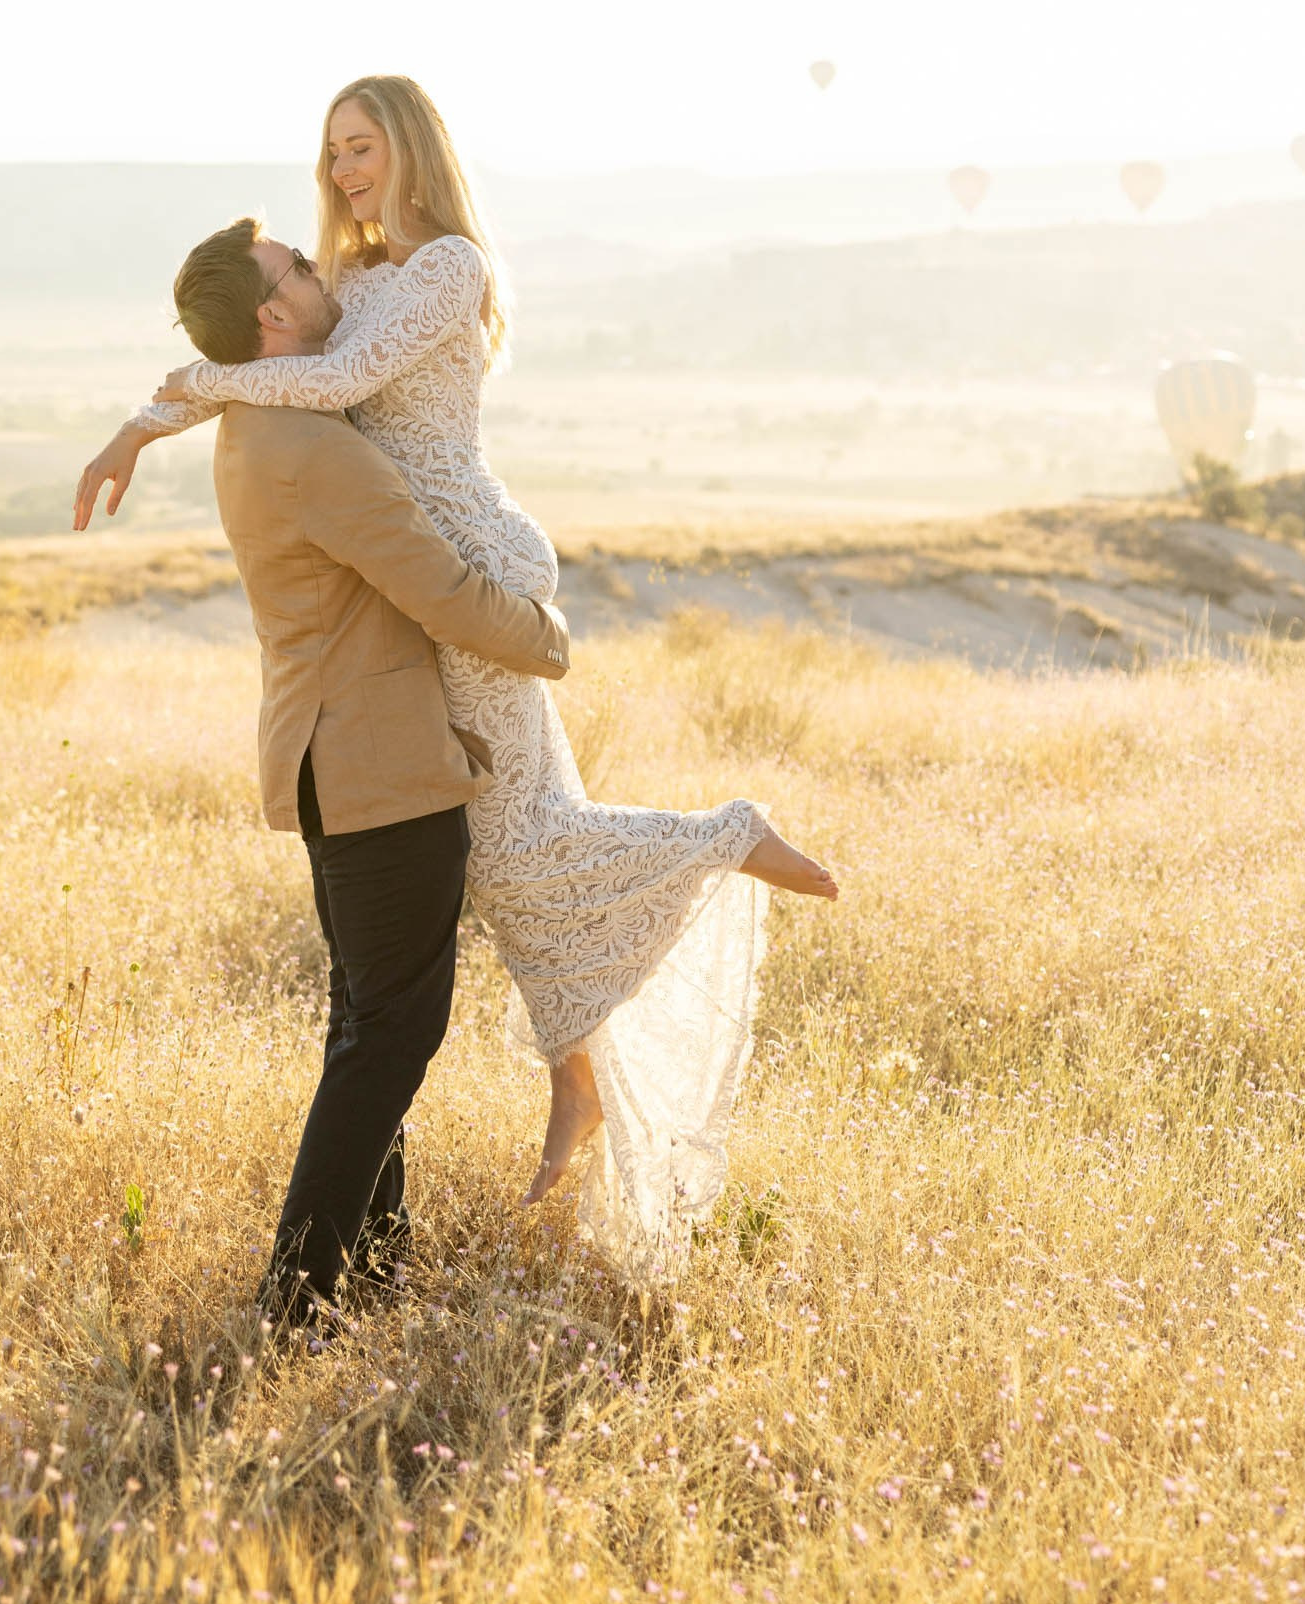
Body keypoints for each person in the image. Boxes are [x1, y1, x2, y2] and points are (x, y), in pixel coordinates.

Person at [76, 76, 838, 1280]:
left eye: (362, 146)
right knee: (499, 845)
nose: (340, 173)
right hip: (417, 574)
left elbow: (319, 384)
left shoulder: (443, 272)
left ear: (415, 146)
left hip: (466, 563)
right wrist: (156, 406)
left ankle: (727, 834)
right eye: (329, 153)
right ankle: (575, 1079)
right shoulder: (358, 284)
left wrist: (159, 409)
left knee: (523, 843)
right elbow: (281, 358)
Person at [110, 211, 574, 1332]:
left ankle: (368, 1276)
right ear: (274, 316)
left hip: (337, 763)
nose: (324, 277)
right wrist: (549, 642)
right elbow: (441, 590)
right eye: (301, 270)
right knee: (390, 1038)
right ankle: (298, 1300)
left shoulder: (266, 425)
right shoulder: (310, 446)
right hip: (378, 769)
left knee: (367, 1026)